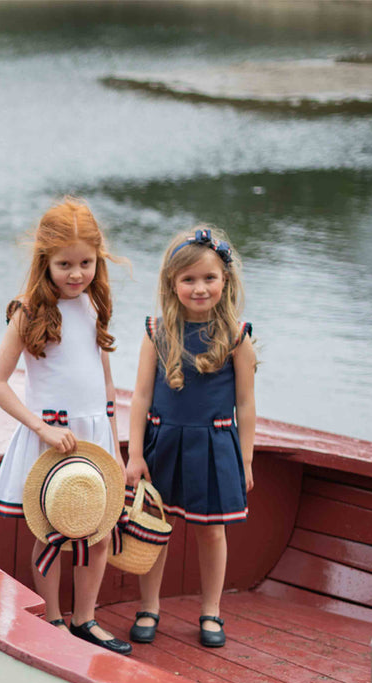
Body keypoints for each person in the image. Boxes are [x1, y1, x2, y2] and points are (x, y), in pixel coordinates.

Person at [0, 197, 131, 655]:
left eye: (86, 262)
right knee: (51, 530)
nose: (76, 274)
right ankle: (52, 619)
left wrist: (116, 445)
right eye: (64, 264)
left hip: (95, 438)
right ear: (44, 261)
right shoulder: (28, 311)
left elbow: (106, 383)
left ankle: (86, 618)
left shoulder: (95, 304)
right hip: (52, 438)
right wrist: (40, 428)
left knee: (99, 532)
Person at [126, 227, 256, 648]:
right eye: (189, 280)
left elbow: (246, 405)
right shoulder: (156, 331)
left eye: (209, 278)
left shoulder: (237, 337)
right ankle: (149, 606)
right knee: (154, 528)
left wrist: (246, 461)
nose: (200, 288)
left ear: (225, 281)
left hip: (215, 447)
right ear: (172, 283)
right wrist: (133, 455)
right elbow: (141, 396)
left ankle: (211, 612)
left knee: (211, 532)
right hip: (162, 444)